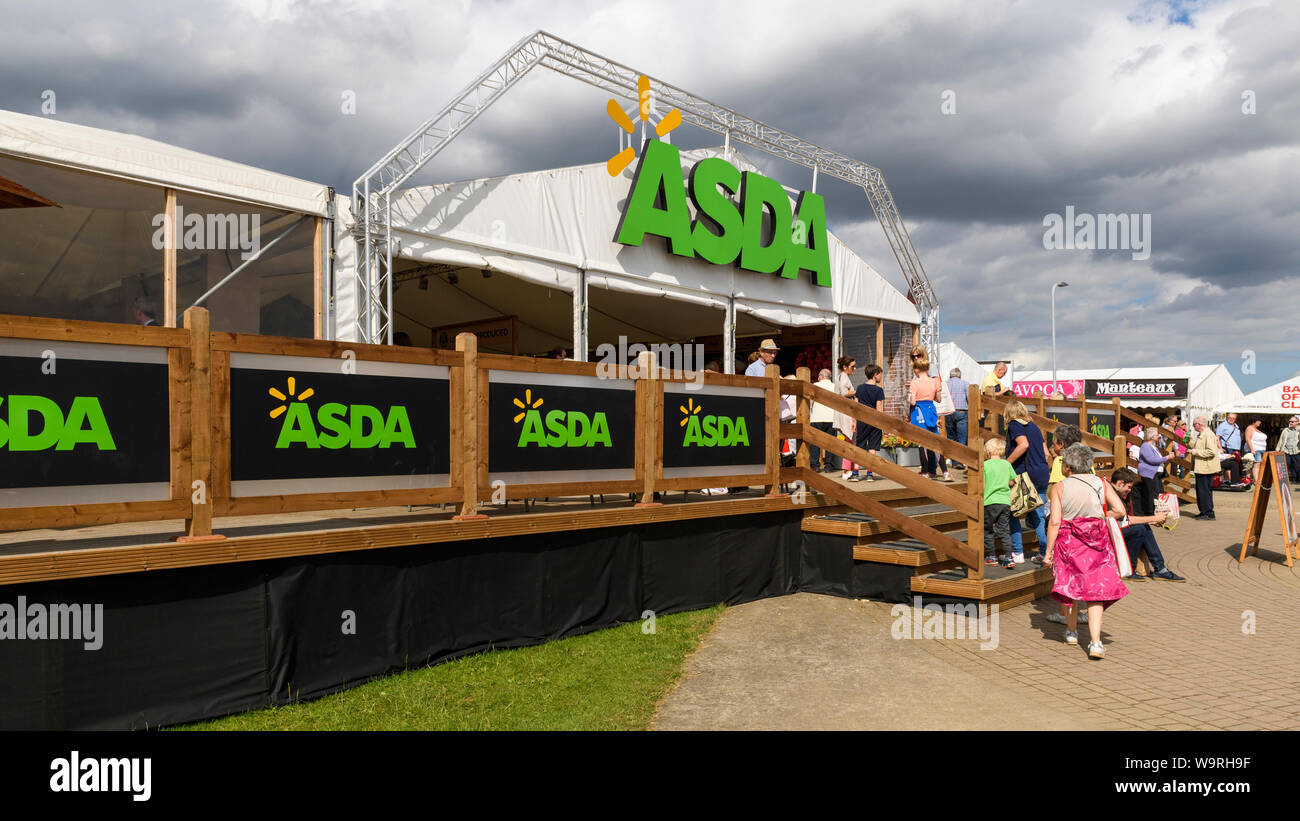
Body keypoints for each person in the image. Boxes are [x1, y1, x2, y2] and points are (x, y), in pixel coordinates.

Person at [1043, 443, 1129, 658]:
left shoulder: (1060, 487)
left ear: (1067, 466)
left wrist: (1048, 551)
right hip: (1097, 541)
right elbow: (1120, 510)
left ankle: (1072, 632)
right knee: (1096, 592)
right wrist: (1099, 518)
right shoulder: (1101, 482)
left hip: (1069, 542)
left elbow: (1055, 521)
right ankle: (1096, 642)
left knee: (1070, 587)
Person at [1111, 467, 1185, 581]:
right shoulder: (1110, 495)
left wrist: (1151, 520)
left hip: (1115, 528)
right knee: (1139, 529)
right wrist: (1153, 518)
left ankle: (1160, 568)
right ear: (1120, 483)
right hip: (1108, 532)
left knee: (1143, 526)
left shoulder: (1119, 494)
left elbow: (1127, 519)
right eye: (1129, 487)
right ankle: (1130, 569)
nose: (1130, 490)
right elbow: (1126, 519)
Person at [1005, 400, 1051, 564]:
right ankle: (1045, 552)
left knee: (1014, 513)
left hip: (1024, 475)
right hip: (1042, 474)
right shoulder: (1034, 427)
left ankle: (1018, 552)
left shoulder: (1014, 425)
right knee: (1038, 515)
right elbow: (1047, 454)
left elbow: (1023, 445)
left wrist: (1006, 463)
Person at [908, 349, 944, 479]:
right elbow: (938, 398)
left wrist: (911, 394)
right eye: (913, 356)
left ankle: (927, 470)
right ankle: (940, 471)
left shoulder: (919, 379)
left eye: (918, 355)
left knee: (923, 442)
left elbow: (913, 401)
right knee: (934, 439)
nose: (915, 358)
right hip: (930, 408)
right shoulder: (933, 381)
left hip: (919, 409)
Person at [983, 439, 1016, 568]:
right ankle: (1009, 557)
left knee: (988, 530)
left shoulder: (985, 465)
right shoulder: (1006, 464)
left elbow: (983, 484)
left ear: (988, 451)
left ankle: (992, 557)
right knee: (1004, 530)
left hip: (989, 501)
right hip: (1004, 502)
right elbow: (1012, 481)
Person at [852, 364, 886, 482]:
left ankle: (855, 472)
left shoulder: (860, 388)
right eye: (880, 374)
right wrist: (882, 424)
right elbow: (879, 408)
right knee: (872, 447)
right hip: (875, 421)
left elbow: (855, 406)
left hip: (862, 420)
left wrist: (854, 421)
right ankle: (869, 473)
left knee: (859, 446)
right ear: (875, 375)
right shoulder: (879, 390)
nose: (881, 377)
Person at [1189, 415, 1221, 520]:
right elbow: (1200, 447)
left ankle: (1208, 512)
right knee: (1201, 491)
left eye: (1194, 425)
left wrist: (1194, 452)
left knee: (1204, 491)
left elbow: (1211, 452)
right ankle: (1204, 511)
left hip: (1206, 468)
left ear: (1199, 424)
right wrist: (1190, 442)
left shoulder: (1208, 434)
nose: (1194, 427)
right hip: (1203, 467)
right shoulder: (1203, 434)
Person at [834, 356, 859, 480]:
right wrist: (857, 391)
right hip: (846, 413)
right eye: (852, 366)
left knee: (849, 440)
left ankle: (851, 469)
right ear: (845, 367)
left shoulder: (841, 377)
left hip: (843, 411)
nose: (855, 368)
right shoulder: (843, 377)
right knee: (850, 440)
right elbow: (844, 393)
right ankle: (847, 469)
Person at [809, 368, 838, 472]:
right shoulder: (835, 387)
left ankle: (815, 465)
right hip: (831, 418)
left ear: (821, 376)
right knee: (830, 443)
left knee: (815, 442)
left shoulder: (815, 385)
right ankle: (829, 466)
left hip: (817, 418)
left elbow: (811, 402)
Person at [1137, 426, 1174, 503]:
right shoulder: (1145, 446)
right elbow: (1152, 460)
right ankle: (1151, 510)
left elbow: (1158, 459)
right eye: (1157, 435)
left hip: (1155, 475)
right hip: (1149, 474)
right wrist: (1167, 457)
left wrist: (1167, 457)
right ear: (1152, 437)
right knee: (1153, 496)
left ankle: (1157, 509)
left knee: (1159, 494)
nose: (1159, 436)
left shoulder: (1153, 446)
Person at [946, 368, 970, 470]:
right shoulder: (965, 384)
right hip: (962, 412)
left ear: (950, 375)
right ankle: (961, 461)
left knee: (951, 438)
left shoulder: (946, 384)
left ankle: (954, 461)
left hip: (949, 412)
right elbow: (970, 398)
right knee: (962, 438)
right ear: (959, 375)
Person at [1244, 418, 1267, 485]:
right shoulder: (1250, 428)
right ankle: (1257, 481)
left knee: (1256, 465)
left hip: (1260, 450)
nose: (1260, 422)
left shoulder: (1256, 429)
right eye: (1259, 421)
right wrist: (1252, 449)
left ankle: (1253, 480)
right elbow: (1248, 439)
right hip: (1255, 450)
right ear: (1254, 421)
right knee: (1256, 465)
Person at [1279, 416, 1300, 486]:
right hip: (1286, 451)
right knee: (1285, 465)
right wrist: (1278, 449)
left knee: (1295, 466)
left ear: (1297, 422)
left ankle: (1295, 479)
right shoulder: (1286, 430)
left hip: (1296, 451)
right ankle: (1284, 480)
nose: (1290, 423)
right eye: (1290, 421)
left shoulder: (1299, 430)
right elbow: (1281, 440)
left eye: (1292, 422)